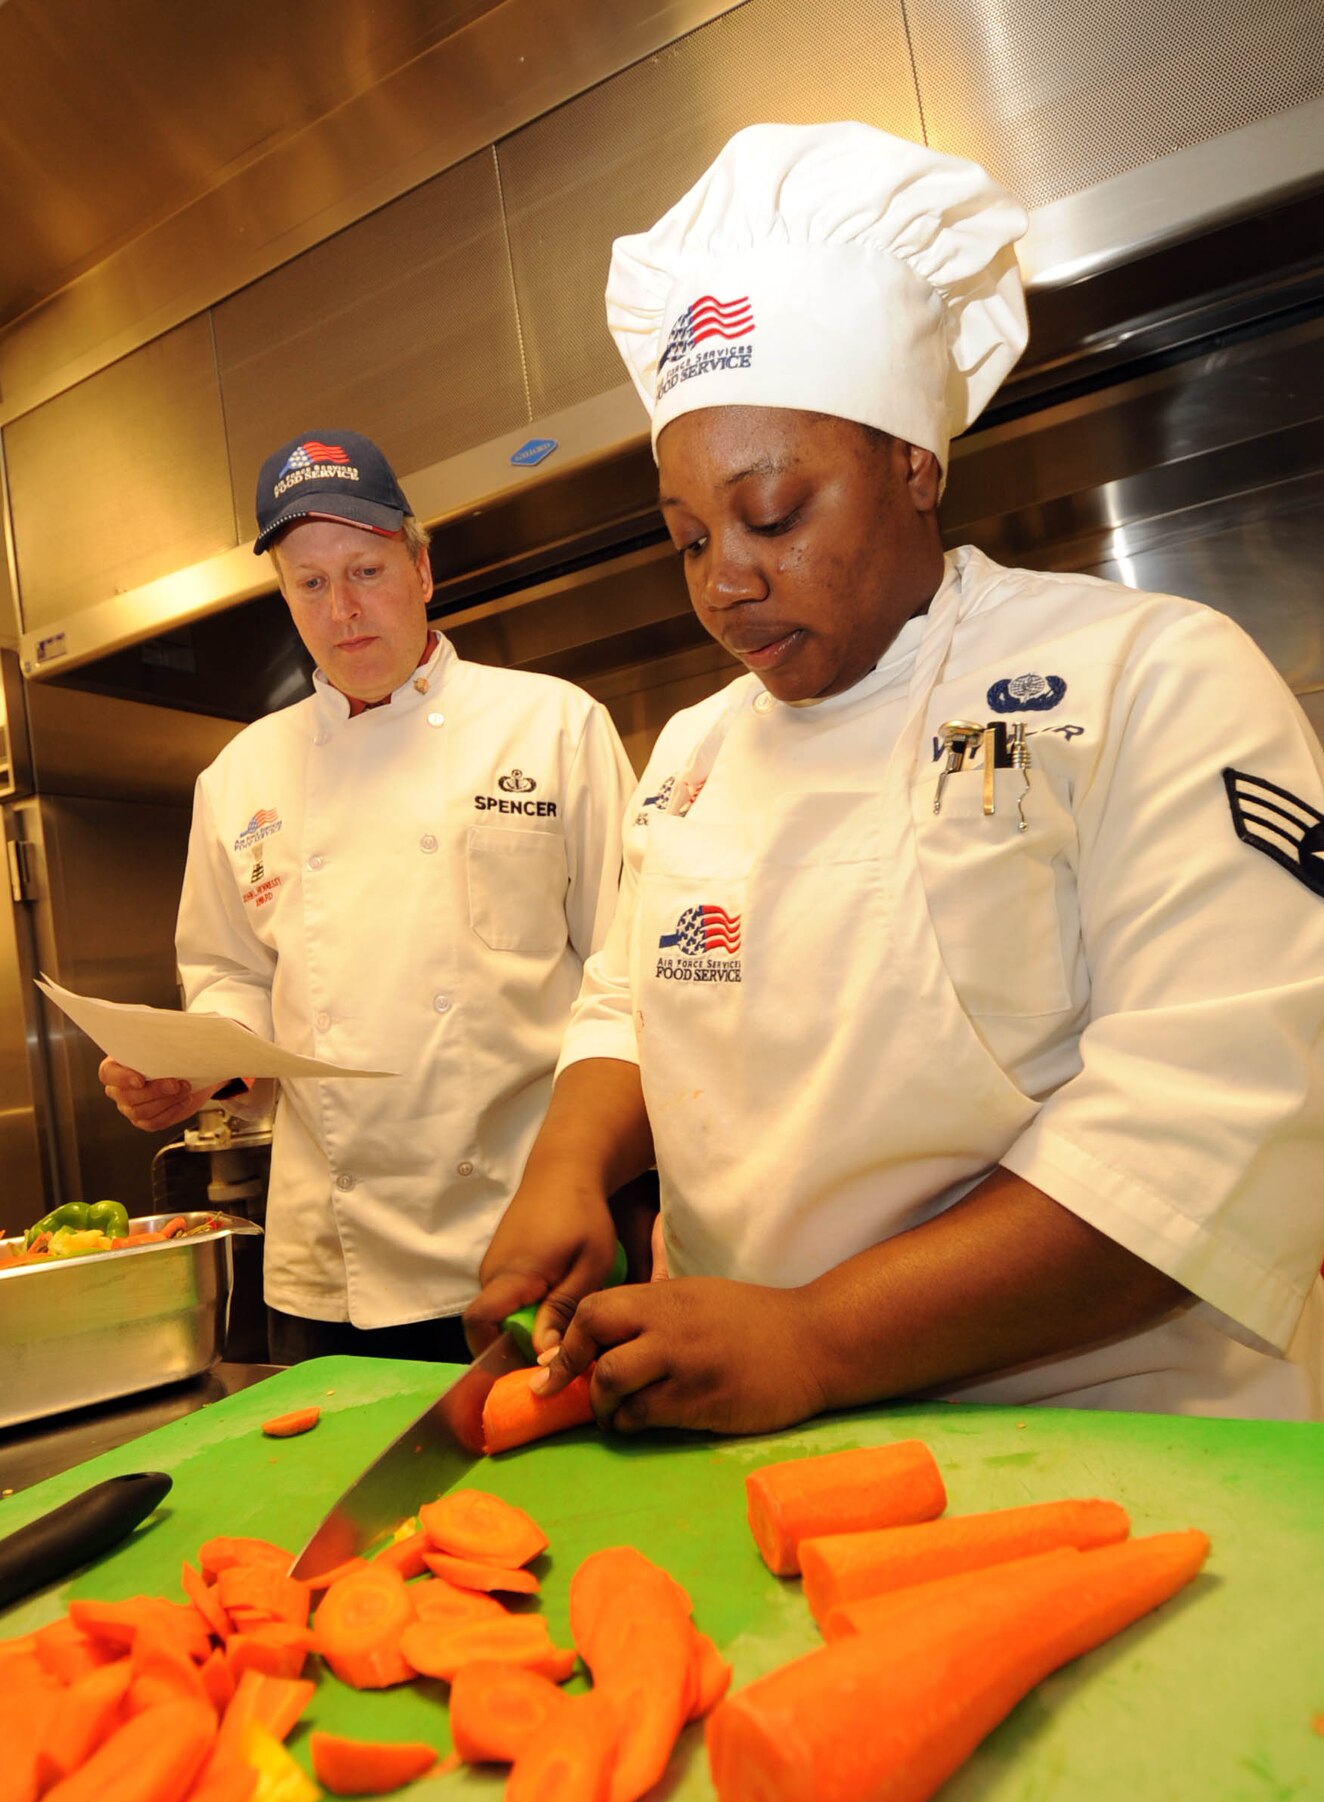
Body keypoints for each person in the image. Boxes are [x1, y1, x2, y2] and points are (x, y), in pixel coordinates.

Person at [465, 122, 1324, 1428]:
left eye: (770, 516)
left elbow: (1212, 1125)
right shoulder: (691, 751)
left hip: (1111, 1444)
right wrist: (568, 1170)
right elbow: (631, 1006)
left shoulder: (1149, 675)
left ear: (912, 464)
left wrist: (817, 1340)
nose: (724, 582)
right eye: (689, 540)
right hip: (734, 1435)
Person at [102, 429, 634, 1363]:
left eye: (366, 570)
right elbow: (229, 978)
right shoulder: (239, 775)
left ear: (422, 567)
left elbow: (627, 986)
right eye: (310, 584)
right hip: (331, 1271)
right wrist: (192, 1070)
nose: (343, 608)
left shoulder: (553, 725)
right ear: (285, 598)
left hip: (528, 1232)